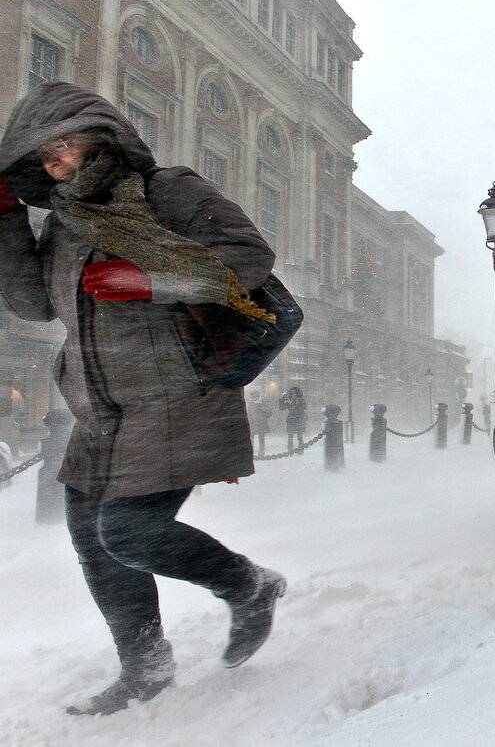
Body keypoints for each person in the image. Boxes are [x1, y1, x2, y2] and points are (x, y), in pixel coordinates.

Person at [0, 82, 286, 716]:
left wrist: (150, 281)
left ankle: (249, 586)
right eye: (43, 159)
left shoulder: (167, 191)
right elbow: (31, 302)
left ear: (99, 137)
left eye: (63, 148)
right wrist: (5, 221)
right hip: (98, 406)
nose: (57, 165)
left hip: (176, 394)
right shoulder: (68, 222)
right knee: (90, 537)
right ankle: (145, 669)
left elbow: (250, 258)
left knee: (128, 531)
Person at [280, 386, 307, 454]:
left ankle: (300, 450)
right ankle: (290, 450)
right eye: (291, 394)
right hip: (291, 420)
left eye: (294, 394)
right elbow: (282, 407)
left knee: (299, 436)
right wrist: (282, 399)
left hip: (298, 419)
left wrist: (294, 404)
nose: (292, 395)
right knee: (290, 436)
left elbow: (302, 408)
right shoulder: (290, 401)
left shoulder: (300, 400)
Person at [247, 391, 274, 458]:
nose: (254, 398)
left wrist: (261, 407)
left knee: (261, 439)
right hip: (253, 424)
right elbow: (248, 414)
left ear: (258, 397)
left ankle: (261, 454)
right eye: (253, 397)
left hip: (262, 424)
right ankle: (251, 453)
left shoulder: (263, 403)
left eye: (256, 397)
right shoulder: (250, 404)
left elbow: (269, 413)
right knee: (251, 439)